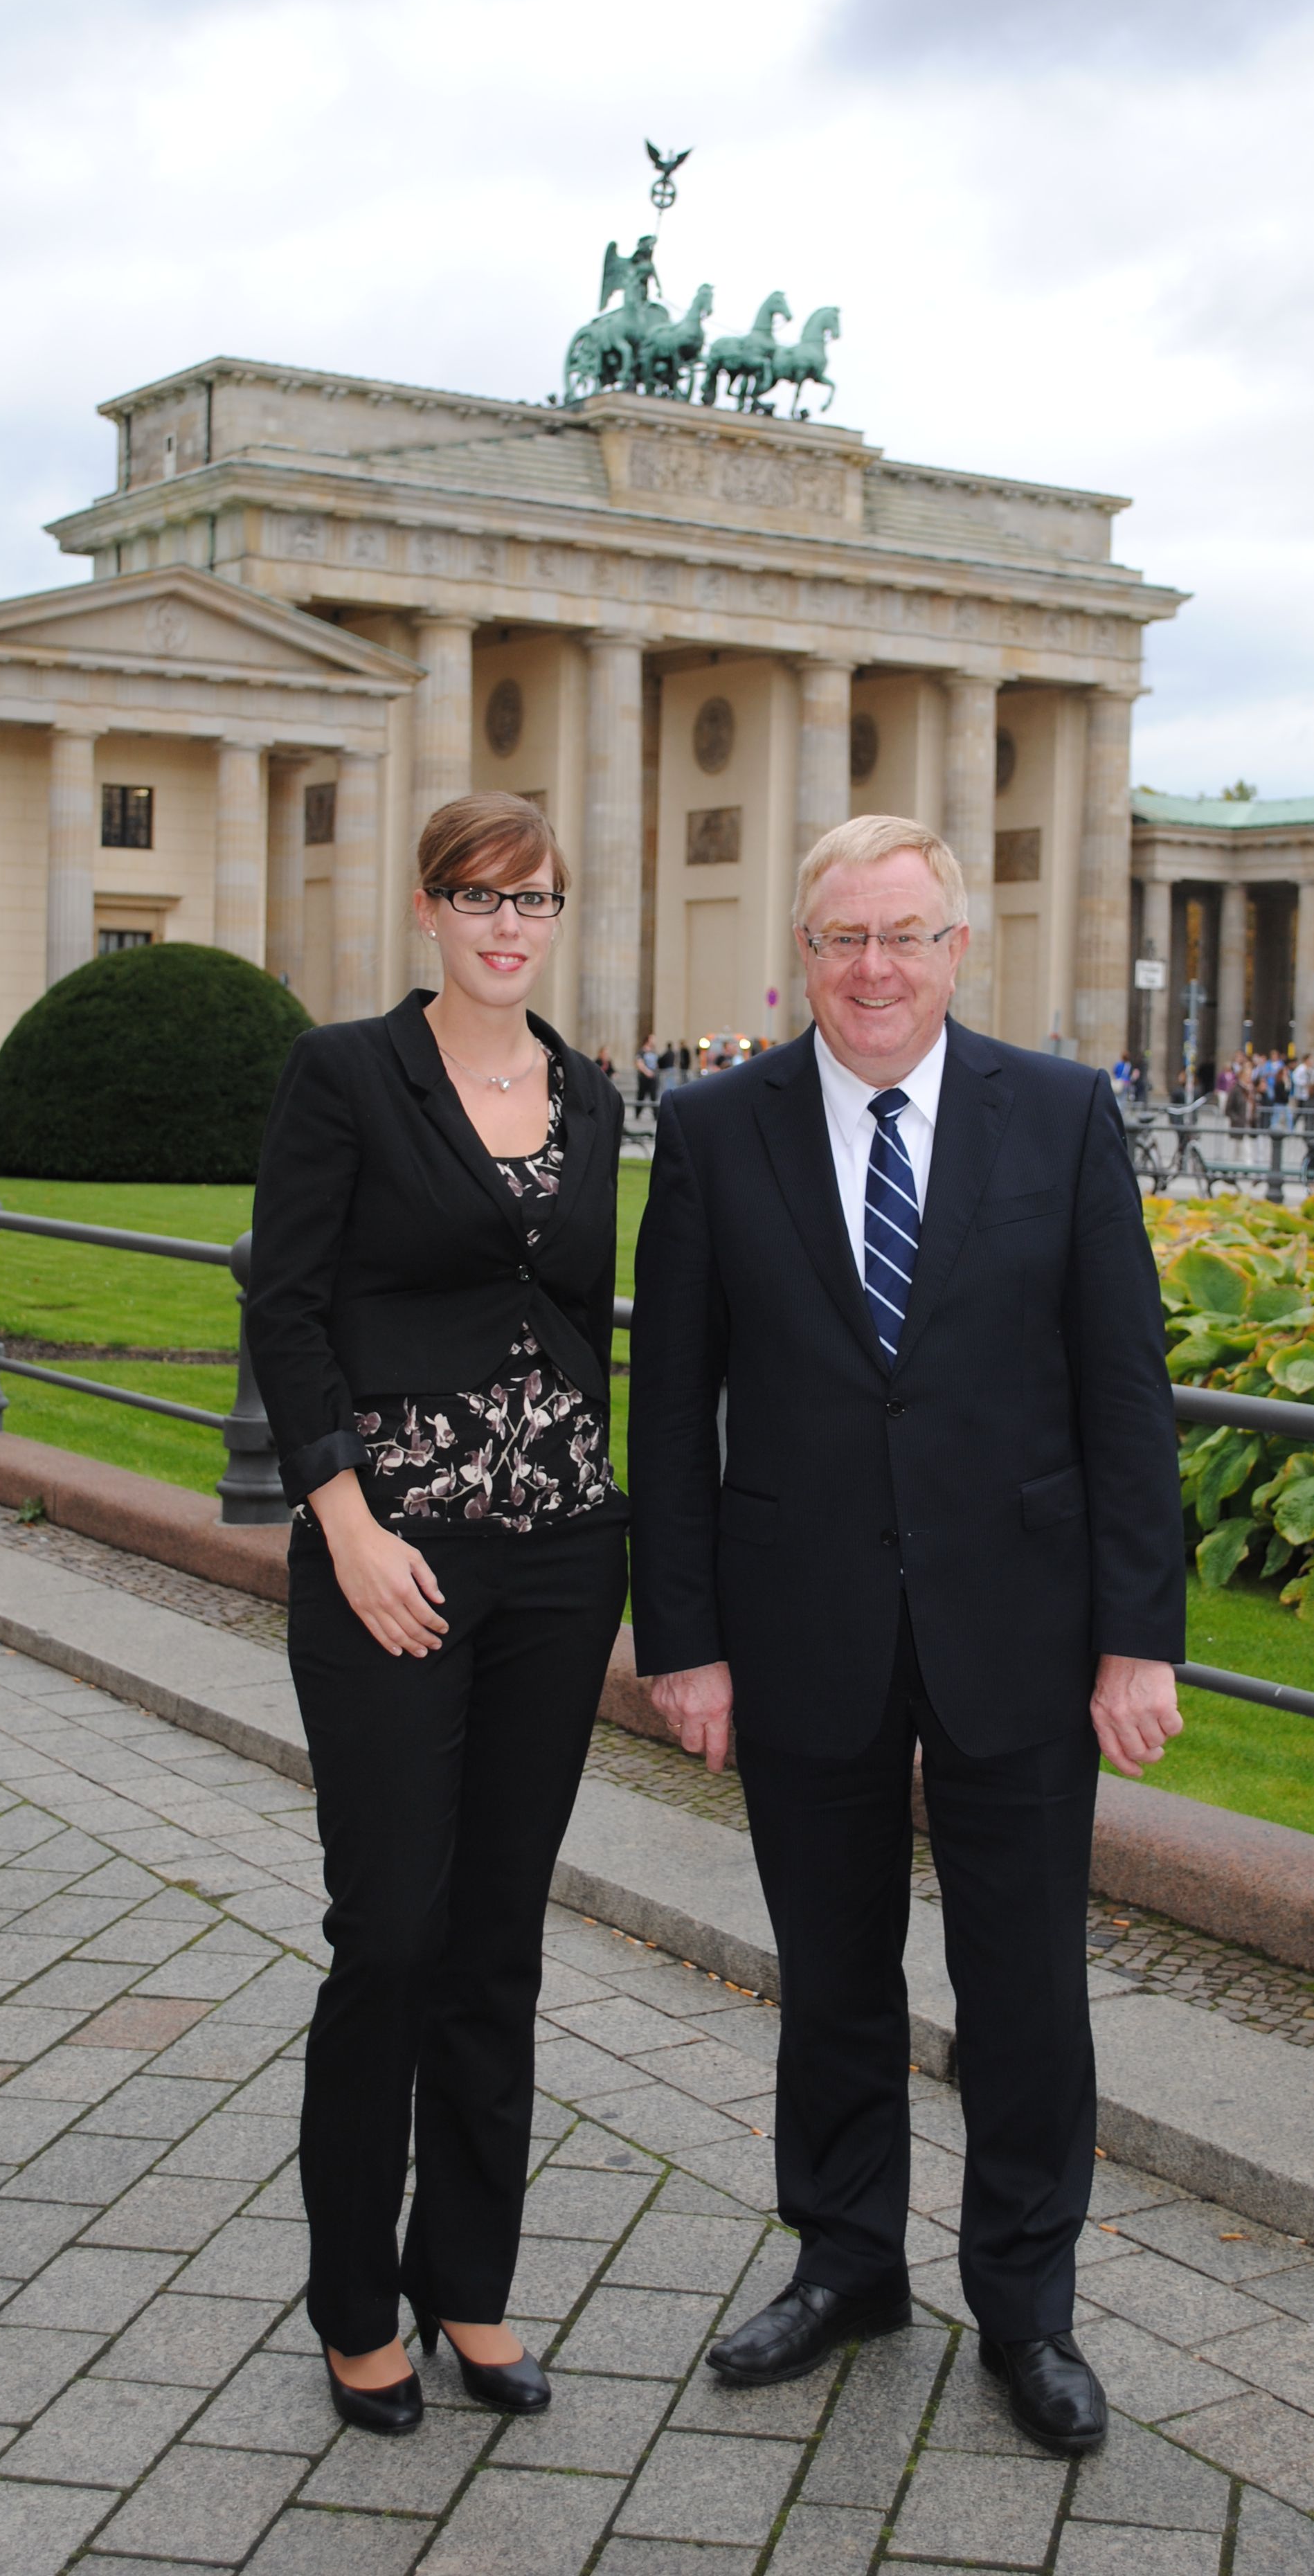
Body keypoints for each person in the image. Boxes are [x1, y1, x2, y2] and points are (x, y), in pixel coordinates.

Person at [629, 813, 1185, 2457]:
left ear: (959, 946)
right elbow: (670, 1411)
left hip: (1017, 1626)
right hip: (798, 1627)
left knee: (1024, 1994)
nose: (873, 970)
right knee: (835, 1980)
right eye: (842, 939)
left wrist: (1134, 1636)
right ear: (801, 954)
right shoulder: (715, 1125)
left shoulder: (1064, 1115)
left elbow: (1123, 1396)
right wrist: (685, 1640)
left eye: (905, 936)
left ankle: (1027, 2311)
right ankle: (847, 2264)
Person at [246, 790, 628, 2440]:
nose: (505, 925)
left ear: (558, 918)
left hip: (554, 1563)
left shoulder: (593, 1094)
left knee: (497, 1942)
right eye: (478, 896)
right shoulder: (348, 1074)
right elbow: (288, 1299)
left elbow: (577, 1321)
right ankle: (353, 2303)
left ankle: (468, 2282)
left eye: (532, 900)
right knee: (389, 1932)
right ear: (429, 910)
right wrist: (342, 1516)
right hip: (389, 1560)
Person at [635, 1032, 660, 1117]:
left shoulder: (654, 1052)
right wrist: (647, 1072)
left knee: (654, 1097)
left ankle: (656, 1115)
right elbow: (639, 1063)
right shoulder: (641, 1052)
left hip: (653, 1078)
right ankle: (637, 1113)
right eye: (652, 1039)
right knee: (641, 1096)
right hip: (644, 1078)